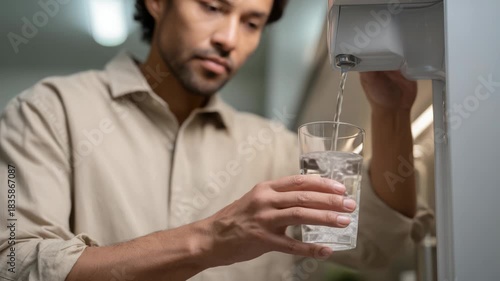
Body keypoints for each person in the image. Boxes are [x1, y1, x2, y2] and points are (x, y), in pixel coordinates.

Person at [0, 0, 433, 280]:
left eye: (251, 22)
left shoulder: (277, 150)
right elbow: (12, 262)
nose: (229, 39)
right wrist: (212, 238)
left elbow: (380, 248)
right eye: (212, 7)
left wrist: (391, 111)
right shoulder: (46, 112)